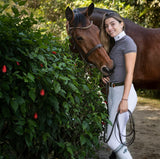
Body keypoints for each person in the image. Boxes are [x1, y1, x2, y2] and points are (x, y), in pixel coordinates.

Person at [100, 12, 137, 159]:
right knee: (119, 137)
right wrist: (106, 77)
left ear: (121, 23)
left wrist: (125, 100)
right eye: (106, 26)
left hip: (124, 94)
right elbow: (118, 69)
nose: (109, 28)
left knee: (111, 140)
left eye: (113, 24)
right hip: (114, 92)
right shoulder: (116, 45)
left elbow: (129, 73)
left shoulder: (128, 42)